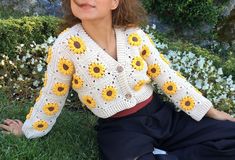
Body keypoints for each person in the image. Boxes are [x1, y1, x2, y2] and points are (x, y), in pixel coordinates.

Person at [1, 0, 235, 159]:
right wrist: (29, 130)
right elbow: (53, 93)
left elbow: (167, 77)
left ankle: (160, 153)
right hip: (120, 129)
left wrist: (210, 111)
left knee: (229, 135)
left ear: (115, 2)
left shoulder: (134, 35)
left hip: (161, 116)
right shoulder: (66, 45)